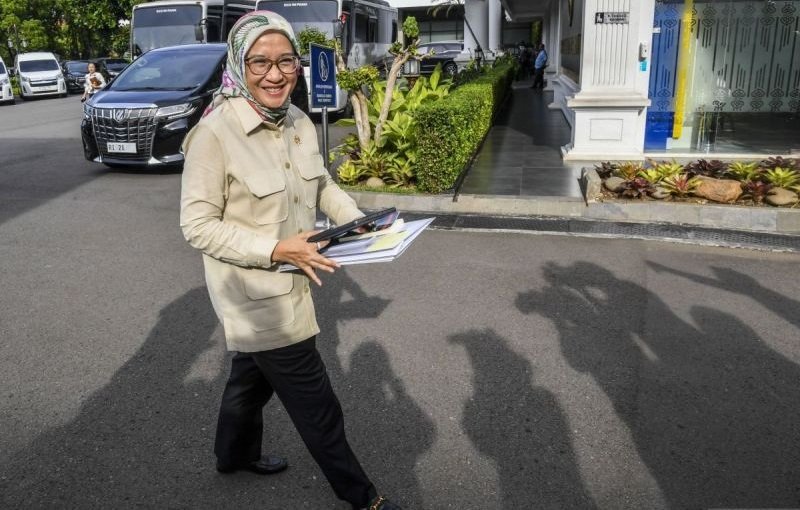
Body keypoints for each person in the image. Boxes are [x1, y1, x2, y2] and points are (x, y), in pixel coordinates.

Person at [179, 11, 402, 510]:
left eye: (286, 61)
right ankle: (364, 497)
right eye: (260, 62)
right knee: (317, 406)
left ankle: (231, 455)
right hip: (258, 296)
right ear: (240, 62)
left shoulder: (297, 119)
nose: (275, 74)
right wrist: (277, 249)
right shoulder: (214, 134)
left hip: (295, 282)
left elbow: (321, 184)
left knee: (249, 379)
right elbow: (197, 226)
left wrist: (360, 222)